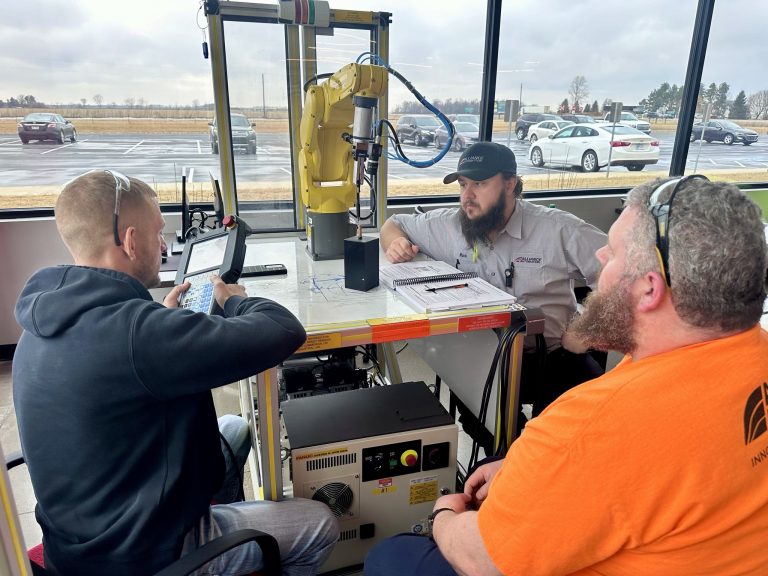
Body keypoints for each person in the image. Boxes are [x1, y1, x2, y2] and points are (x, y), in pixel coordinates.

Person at [365, 175, 768, 575]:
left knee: (393, 556)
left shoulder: (591, 424)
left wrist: (443, 517)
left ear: (650, 289)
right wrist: (524, 467)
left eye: (611, 253)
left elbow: (483, 559)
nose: (599, 261)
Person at [13, 170, 338, 576]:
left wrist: (165, 322)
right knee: (320, 525)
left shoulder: (42, 321)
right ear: (130, 241)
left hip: (78, 539)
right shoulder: (139, 335)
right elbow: (284, 330)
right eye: (157, 233)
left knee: (235, 428)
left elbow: (123, 363)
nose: (164, 246)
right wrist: (235, 301)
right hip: (145, 553)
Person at [380, 141, 608, 430]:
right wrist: (395, 243)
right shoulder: (451, 225)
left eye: (480, 183)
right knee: (484, 422)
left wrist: (585, 328)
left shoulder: (558, 229)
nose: (467, 196)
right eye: (463, 185)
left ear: (510, 184)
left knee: (565, 430)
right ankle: (508, 457)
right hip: (484, 356)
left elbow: (627, 273)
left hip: (549, 356)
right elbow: (393, 224)